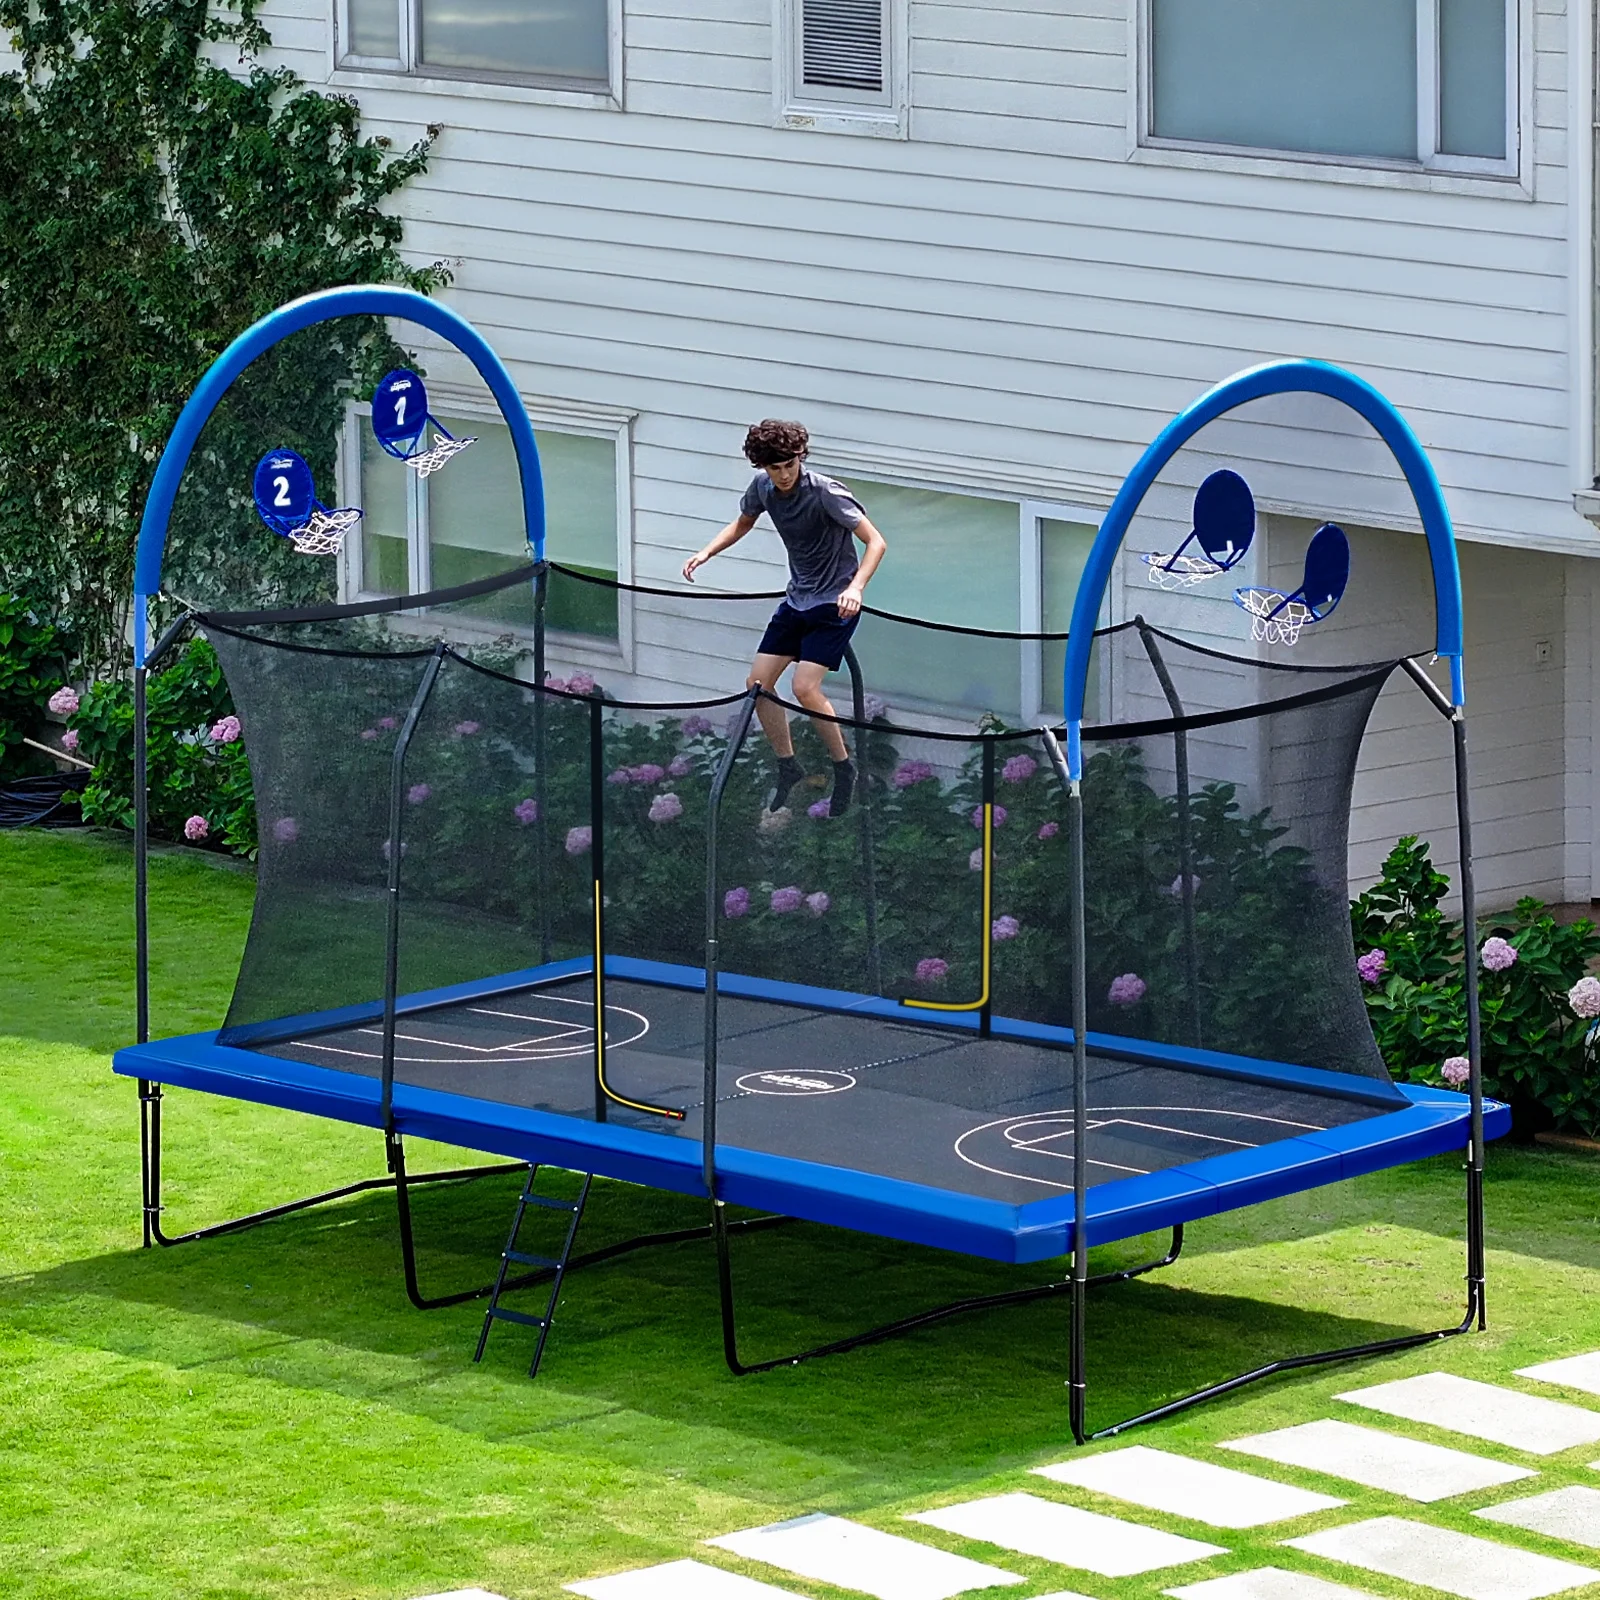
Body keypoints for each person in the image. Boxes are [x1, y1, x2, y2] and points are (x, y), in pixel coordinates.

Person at [682, 419, 887, 816]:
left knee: (805, 688)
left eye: (790, 464)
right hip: (797, 601)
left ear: (800, 458)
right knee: (757, 684)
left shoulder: (826, 492)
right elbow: (743, 522)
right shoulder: (763, 489)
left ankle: (844, 768)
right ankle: (788, 765)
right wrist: (707, 552)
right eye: (774, 468)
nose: (784, 474)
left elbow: (876, 542)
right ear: (764, 467)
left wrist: (856, 588)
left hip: (835, 604)